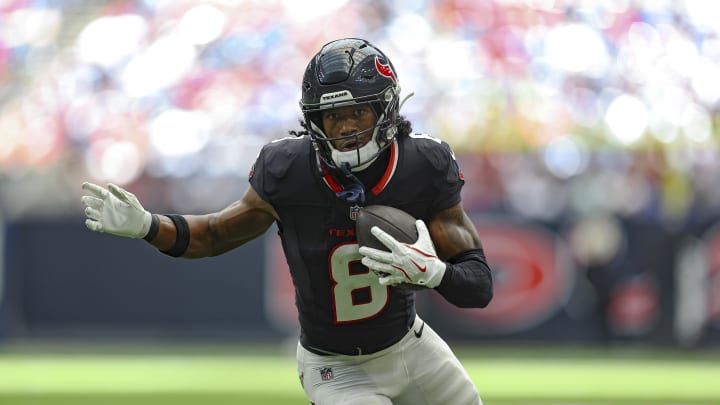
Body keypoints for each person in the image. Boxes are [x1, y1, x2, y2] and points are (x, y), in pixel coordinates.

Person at [81, 38, 493, 405]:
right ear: (314, 121)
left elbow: (479, 287)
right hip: (337, 369)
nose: (346, 127)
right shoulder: (288, 169)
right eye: (333, 116)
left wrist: (436, 273)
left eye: (358, 112)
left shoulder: (423, 164)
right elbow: (213, 235)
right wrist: (147, 225)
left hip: (411, 346)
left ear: (384, 108)